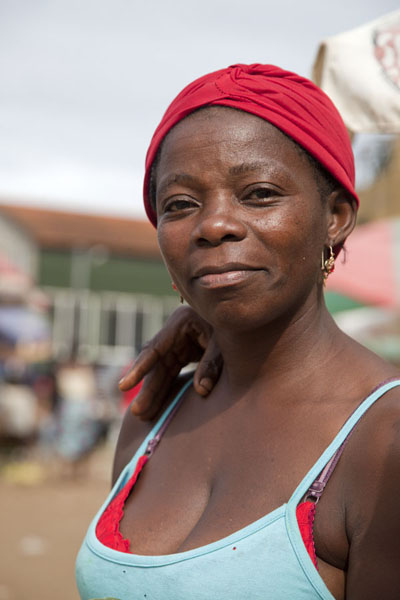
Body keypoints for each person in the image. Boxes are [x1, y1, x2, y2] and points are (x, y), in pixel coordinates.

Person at [76, 64, 400, 600]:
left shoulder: (382, 442)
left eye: (259, 193)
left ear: (336, 216)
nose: (213, 225)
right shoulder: (155, 419)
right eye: (180, 204)